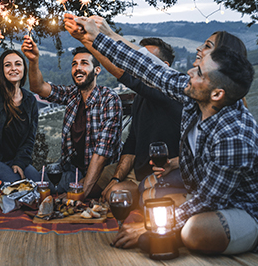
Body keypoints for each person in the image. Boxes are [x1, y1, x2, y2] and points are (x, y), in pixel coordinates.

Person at [64, 14, 258, 255]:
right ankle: (169, 233)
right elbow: (146, 66)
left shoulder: (234, 134)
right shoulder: (194, 92)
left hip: (251, 213)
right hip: (213, 200)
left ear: (217, 94)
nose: (190, 74)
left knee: (195, 230)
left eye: (199, 72)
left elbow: (208, 200)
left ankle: (171, 236)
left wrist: (148, 228)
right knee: (155, 202)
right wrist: (96, 38)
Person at [140, 30, 250, 205]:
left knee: (149, 200)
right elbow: (150, 67)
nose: (199, 49)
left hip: (226, 200)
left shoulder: (232, 126)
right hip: (198, 183)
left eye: (207, 46)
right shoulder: (195, 91)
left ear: (223, 59)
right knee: (143, 191)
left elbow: (212, 194)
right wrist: (103, 35)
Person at [76, 34, 182, 204]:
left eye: (145, 60)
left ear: (165, 68)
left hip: (155, 173)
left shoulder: (170, 96)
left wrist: (91, 42)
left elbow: (125, 75)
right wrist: (116, 178)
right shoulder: (141, 97)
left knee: (115, 195)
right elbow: (132, 142)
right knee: (80, 187)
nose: (139, 64)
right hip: (134, 167)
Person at [21, 36, 122, 199]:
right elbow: (38, 87)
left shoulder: (109, 99)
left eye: (84, 63)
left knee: (45, 193)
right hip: (71, 171)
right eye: (74, 64)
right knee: (30, 178)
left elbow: (101, 154)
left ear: (97, 70)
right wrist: (33, 60)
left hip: (100, 174)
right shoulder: (71, 95)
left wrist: (78, 193)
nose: (78, 68)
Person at [0, 28, 41, 183]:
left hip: (15, 159)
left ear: (24, 69)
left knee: (37, 182)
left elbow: (29, 139)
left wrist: (19, 162)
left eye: (18, 64)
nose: (13, 68)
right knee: (14, 183)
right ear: (1, 70)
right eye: (7, 65)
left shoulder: (30, 100)